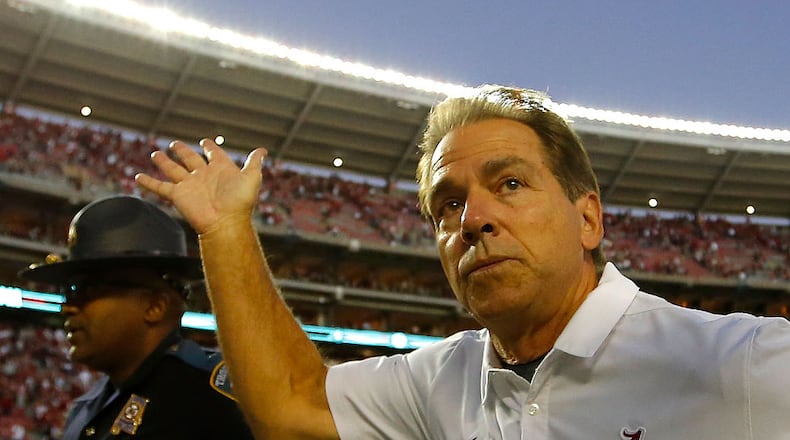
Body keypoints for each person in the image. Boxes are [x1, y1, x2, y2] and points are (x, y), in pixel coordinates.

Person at [135, 85, 790, 439]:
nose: (471, 219)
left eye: (509, 183)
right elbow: (291, 405)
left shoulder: (738, 364)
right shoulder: (438, 382)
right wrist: (226, 233)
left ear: (588, 218)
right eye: (447, 206)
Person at [20, 195, 253, 440]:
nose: (69, 307)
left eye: (90, 290)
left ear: (155, 306)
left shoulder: (214, 401)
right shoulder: (89, 406)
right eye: (70, 292)